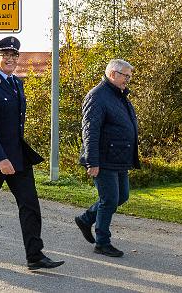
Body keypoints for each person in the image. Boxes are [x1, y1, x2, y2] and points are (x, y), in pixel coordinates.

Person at [0, 36, 64, 271]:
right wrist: (0, 158)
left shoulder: (16, 83)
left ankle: (35, 255)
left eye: (14, 56)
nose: (10, 59)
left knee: (30, 205)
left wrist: (12, 157)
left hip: (17, 157)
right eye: (4, 56)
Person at [75, 59, 139, 258]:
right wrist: (92, 161)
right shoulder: (97, 96)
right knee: (110, 199)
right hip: (103, 158)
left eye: (129, 76)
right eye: (125, 76)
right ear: (113, 74)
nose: (128, 80)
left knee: (122, 196)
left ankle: (86, 219)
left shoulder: (118, 95)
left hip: (118, 157)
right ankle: (102, 242)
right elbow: (90, 132)